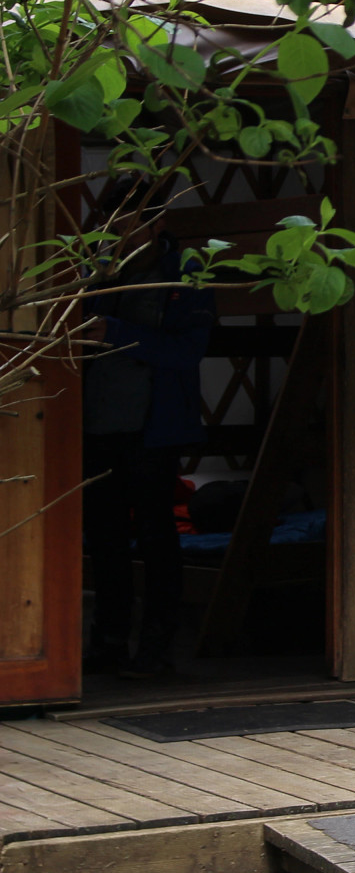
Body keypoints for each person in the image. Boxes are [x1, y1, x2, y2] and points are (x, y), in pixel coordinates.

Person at [81, 176, 214, 680]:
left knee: (157, 536)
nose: (118, 231)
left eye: (129, 222)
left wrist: (117, 332)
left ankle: (155, 649)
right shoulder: (101, 273)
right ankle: (108, 642)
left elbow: (187, 353)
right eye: (111, 222)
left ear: (157, 222)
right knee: (105, 536)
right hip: (97, 423)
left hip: (152, 427)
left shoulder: (186, 272)